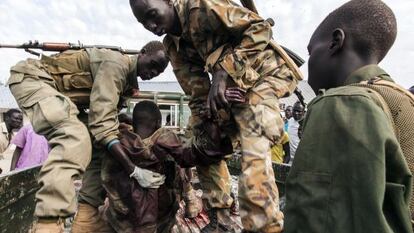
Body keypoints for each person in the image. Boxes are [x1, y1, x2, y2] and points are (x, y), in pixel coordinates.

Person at [129, 1, 302, 232]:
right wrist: (207, 124)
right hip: (230, 89)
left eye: (152, 15)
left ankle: (265, 226)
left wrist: (223, 70)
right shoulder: (171, 45)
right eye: (143, 23)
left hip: (265, 74)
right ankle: (222, 218)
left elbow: (260, 29)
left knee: (254, 130)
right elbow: (196, 92)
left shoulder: (202, 6)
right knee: (200, 141)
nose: (151, 25)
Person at [7, 41, 169, 233]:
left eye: (158, 72)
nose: (153, 73)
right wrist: (133, 170)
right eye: (153, 65)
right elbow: (102, 124)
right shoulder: (117, 64)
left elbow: (103, 121)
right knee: (74, 136)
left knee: (100, 144)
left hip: (61, 96)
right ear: (142, 53)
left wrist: (120, 121)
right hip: (33, 79)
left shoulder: (127, 83)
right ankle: (48, 222)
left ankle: (87, 217)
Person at [284, 1, 413, 232]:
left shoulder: (340, 104)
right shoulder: (402, 101)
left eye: (311, 51)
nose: (308, 64)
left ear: (336, 41)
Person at [101, 100, 232, 232]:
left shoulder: (117, 144)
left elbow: (107, 177)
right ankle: (190, 200)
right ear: (158, 122)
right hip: (160, 216)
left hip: (123, 215)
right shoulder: (164, 140)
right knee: (178, 164)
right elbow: (188, 157)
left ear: (134, 122)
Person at [0, 108, 23, 173]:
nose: (19, 121)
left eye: (20, 119)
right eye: (16, 118)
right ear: (7, 118)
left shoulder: (11, 135)